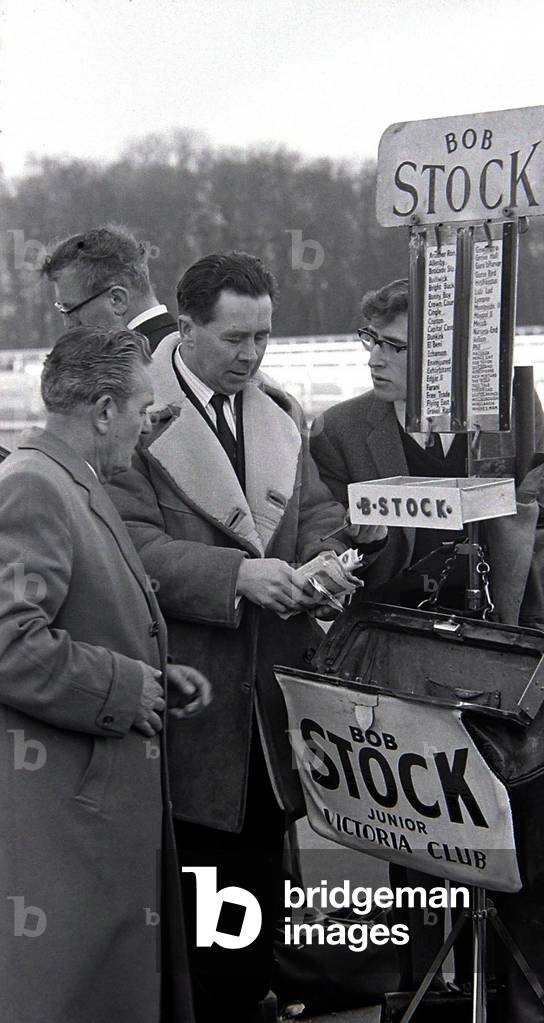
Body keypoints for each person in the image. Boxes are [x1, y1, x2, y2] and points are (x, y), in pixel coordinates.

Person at [106, 251, 383, 1023]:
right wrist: (238, 575)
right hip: (188, 715)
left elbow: (317, 512)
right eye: (235, 338)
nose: (252, 355)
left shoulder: (280, 412)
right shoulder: (136, 417)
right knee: (194, 923)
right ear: (186, 327)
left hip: (270, 712)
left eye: (263, 336)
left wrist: (328, 558)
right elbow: (131, 547)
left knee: (252, 910)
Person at [310, 278, 544, 1023]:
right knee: (423, 843)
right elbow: (325, 535)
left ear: (447, 361)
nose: (375, 358)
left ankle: (531, 1006)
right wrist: (359, 545)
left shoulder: (509, 411)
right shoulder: (338, 430)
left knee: (526, 833)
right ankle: (426, 1000)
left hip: (505, 666)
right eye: (370, 341)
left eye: (395, 347)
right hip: (406, 668)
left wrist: (536, 538)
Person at [0, 326, 211, 1023]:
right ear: (102, 410)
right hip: (66, 819)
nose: (147, 425)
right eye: (142, 409)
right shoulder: (35, 485)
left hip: (89, 803)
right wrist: (124, 687)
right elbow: (8, 642)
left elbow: (73, 617)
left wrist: (154, 673)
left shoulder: (66, 480)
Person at [41, 224, 177, 350]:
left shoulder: (135, 363)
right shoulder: (180, 348)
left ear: (117, 299)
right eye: (62, 309)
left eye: (71, 310)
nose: (69, 325)